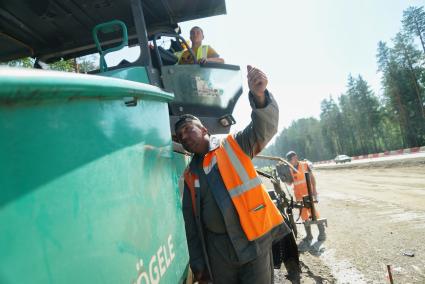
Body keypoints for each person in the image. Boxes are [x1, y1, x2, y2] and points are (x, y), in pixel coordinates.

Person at [175, 66, 290, 284]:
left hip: (252, 243)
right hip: (218, 254)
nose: (185, 137)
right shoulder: (189, 176)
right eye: (180, 136)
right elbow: (191, 225)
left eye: (189, 129)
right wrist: (198, 263)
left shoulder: (234, 145)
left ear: (205, 130)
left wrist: (259, 96)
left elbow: (263, 130)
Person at [286, 151, 326, 241]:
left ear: (295, 157)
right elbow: (289, 183)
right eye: (289, 160)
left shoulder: (305, 165)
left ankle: (322, 232)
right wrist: (284, 178)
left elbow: (312, 177)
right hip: (299, 196)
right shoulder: (289, 168)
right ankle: (309, 235)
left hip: (308, 193)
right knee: (303, 215)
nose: (289, 161)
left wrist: (314, 190)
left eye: (290, 159)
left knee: (313, 212)